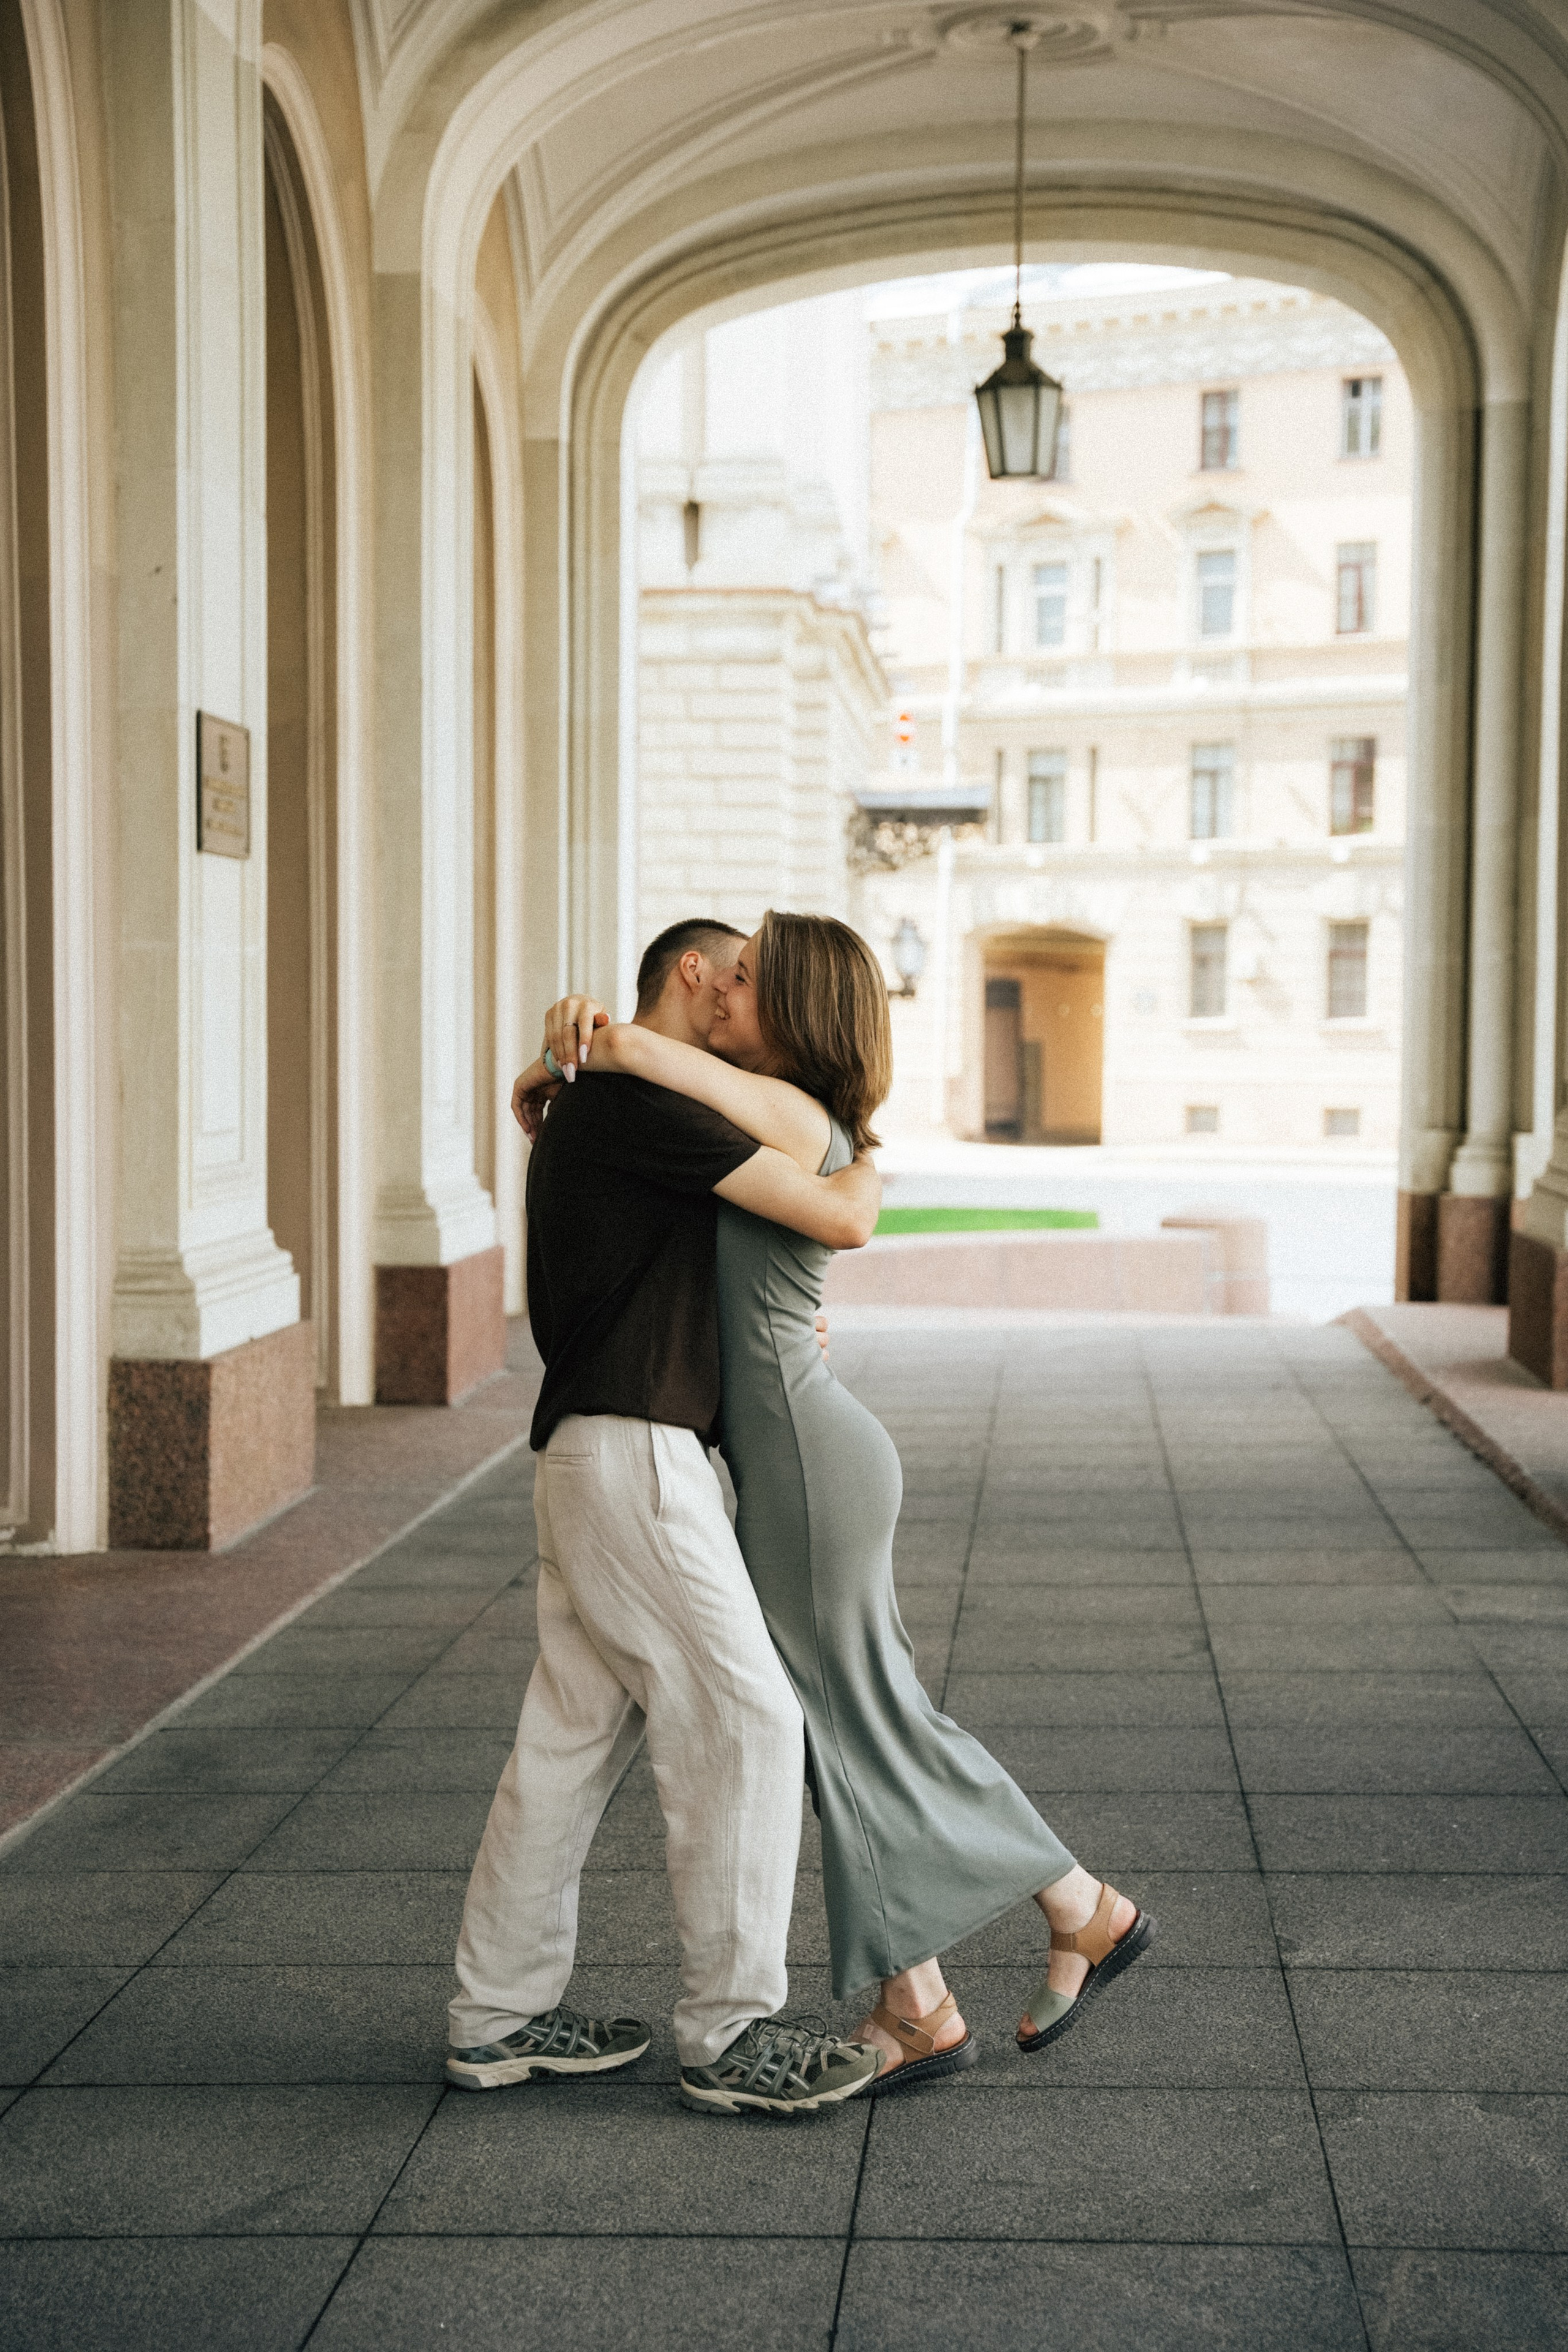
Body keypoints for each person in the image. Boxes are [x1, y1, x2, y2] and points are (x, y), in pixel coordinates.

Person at [521, 911, 1155, 2089]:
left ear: (797, 1011)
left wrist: (588, 1041)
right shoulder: (758, 1112)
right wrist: (563, 1062)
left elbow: (667, 1074)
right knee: (834, 1719)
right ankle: (916, 1997)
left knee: (863, 1716)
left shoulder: (792, 1111)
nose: (728, 991)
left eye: (752, 976)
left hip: (811, 1460)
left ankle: (1082, 1905)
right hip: (796, 1454)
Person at [447, 917, 886, 2119]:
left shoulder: (605, 1094)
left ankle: (498, 2016)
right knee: (746, 1714)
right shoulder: (639, 1095)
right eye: (742, 973)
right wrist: (865, 1173)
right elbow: (818, 1164)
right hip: (634, 1453)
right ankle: (730, 2032)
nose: (757, 993)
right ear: (693, 977)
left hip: (598, 1448)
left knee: (568, 1742)